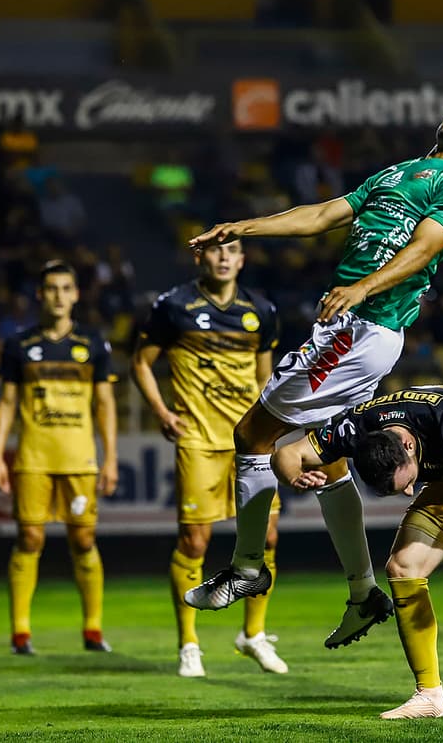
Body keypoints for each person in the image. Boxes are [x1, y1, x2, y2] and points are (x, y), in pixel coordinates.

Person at [183, 99, 443, 650]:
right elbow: (325, 213)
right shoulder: (399, 171)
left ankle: (247, 566)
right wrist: (245, 228)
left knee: (252, 435)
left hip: (362, 325)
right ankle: (363, 591)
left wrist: (362, 287)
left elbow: (427, 248)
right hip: (359, 326)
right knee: (328, 461)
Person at [272, 385, 443, 720]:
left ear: (408, 445)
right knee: (403, 568)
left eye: (407, 482)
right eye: (402, 488)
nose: (408, 492)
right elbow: (285, 454)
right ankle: (429, 696)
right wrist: (294, 477)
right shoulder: (357, 428)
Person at [130, 239, 287, 677]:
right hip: (198, 438)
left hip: (250, 442)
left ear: (241, 259)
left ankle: (252, 635)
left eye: (231, 250)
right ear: (200, 257)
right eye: (215, 250)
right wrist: (161, 411)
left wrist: (272, 428)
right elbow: (140, 362)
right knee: (193, 542)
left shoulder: (262, 310)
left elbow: (264, 378)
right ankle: (189, 644)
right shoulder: (173, 305)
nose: (222, 257)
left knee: (268, 539)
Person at [0, 260, 118, 655]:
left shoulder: (93, 343)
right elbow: (7, 402)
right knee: (30, 538)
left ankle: (93, 630)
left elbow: (105, 404)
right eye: (52, 289)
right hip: (33, 456)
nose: (59, 296)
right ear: (40, 295)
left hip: (79, 457)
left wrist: (110, 457)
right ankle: (20, 633)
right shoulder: (19, 345)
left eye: (66, 288)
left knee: (83, 539)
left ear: (76, 295)